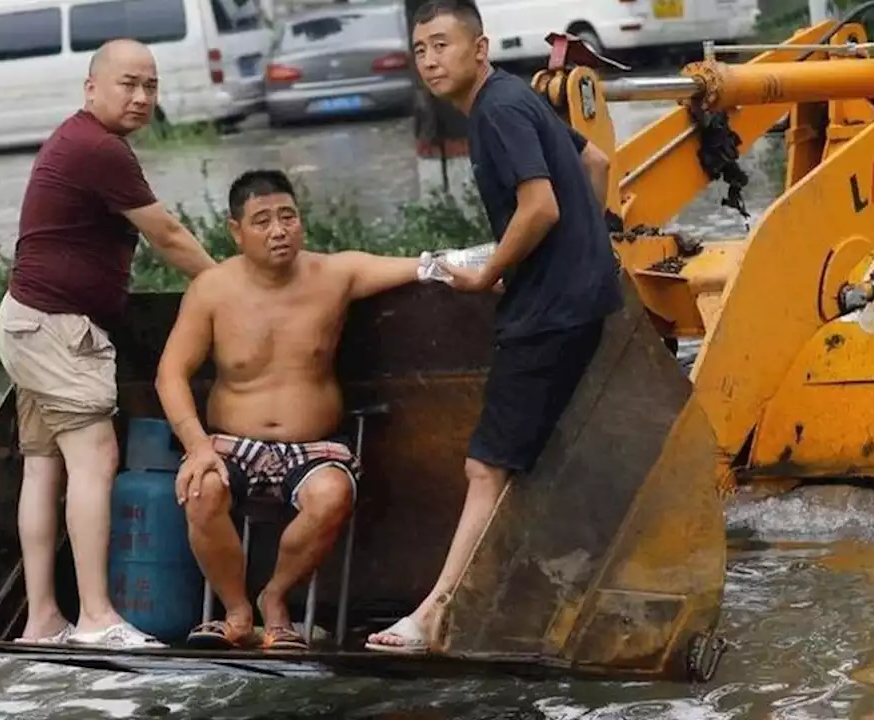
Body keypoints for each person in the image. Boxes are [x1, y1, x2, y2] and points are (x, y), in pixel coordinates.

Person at [365, 0, 622, 654]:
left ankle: (434, 615)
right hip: (578, 301)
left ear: (479, 49)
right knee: (525, 464)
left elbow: (539, 206)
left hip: (546, 317)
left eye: (443, 44)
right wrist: (582, 256)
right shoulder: (514, 99)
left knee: (487, 467)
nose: (430, 59)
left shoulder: (497, 111)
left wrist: (491, 272)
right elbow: (595, 164)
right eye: (420, 48)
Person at [154, 169, 447, 650]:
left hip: (312, 447)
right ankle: (236, 609)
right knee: (202, 488)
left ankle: (275, 597)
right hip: (230, 442)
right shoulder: (211, 288)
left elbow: (425, 266)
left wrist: (493, 267)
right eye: (262, 220)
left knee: (332, 494)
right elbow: (170, 375)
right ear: (235, 230)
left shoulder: (336, 273)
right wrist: (197, 445)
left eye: (287, 216)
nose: (278, 230)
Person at [0, 38, 218, 649]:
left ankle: (43, 619)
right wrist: (229, 285)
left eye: (151, 85)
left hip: (27, 323)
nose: (141, 96)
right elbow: (169, 235)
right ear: (91, 88)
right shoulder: (98, 147)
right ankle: (95, 618)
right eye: (128, 84)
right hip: (60, 331)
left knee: (44, 470)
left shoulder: (78, 139)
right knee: (95, 463)